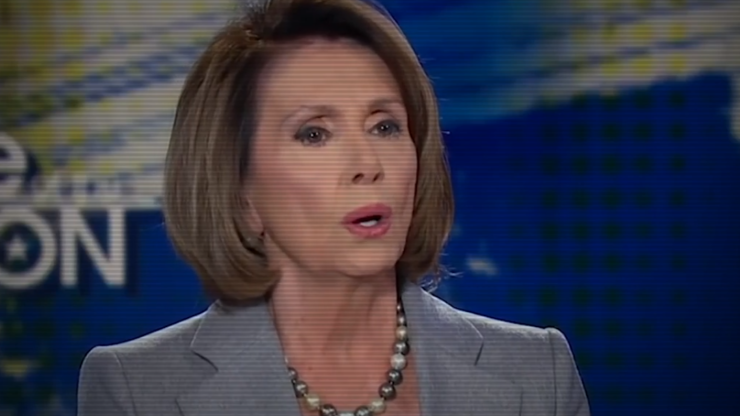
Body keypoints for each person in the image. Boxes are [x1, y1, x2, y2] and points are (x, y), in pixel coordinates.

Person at [77, 0, 590, 415]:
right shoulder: (136, 390)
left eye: (385, 126)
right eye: (314, 134)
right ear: (239, 190)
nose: (367, 164)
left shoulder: (535, 373)